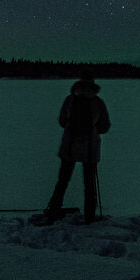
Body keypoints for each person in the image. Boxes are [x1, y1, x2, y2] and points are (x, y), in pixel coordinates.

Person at [44, 75, 111, 223]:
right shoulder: (98, 102)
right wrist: (94, 130)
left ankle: (53, 211)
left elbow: (62, 120)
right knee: (89, 185)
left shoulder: (70, 99)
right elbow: (105, 126)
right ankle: (90, 216)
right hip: (90, 149)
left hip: (69, 146)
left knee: (62, 181)